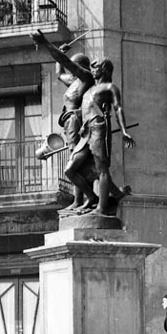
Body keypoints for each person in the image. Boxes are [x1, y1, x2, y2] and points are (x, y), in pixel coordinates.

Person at [31, 29, 95, 209]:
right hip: (68, 122)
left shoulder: (86, 78)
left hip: (76, 119)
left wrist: (45, 43)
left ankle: (83, 199)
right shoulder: (74, 82)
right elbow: (60, 72)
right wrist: (61, 50)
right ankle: (79, 200)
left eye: (75, 67)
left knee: (75, 161)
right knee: (75, 160)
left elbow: (65, 63)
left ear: (81, 67)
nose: (72, 71)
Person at [64, 57, 136, 215]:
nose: (92, 69)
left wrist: (123, 130)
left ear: (104, 69)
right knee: (70, 169)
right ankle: (92, 197)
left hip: (98, 128)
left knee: (101, 168)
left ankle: (101, 208)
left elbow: (118, 108)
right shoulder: (88, 90)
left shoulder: (110, 87)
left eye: (95, 67)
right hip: (85, 131)